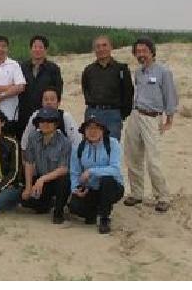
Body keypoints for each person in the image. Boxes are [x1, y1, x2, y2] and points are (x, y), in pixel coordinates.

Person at [121, 38, 179, 213]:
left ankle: (162, 197)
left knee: (153, 160)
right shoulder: (138, 73)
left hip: (152, 118)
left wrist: (169, 119)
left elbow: (170, 96)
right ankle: (137, 193)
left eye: (144, 51)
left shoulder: (164, 72)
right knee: (132, 157)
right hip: (135, 116)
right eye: (138, 51)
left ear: (152, 52)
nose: (141, 54)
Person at [69, 116, 126, 234]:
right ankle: (96, 210)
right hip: (90, 188)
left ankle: (104, 218)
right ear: (84, 131)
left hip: (112, 187)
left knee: (107, 180)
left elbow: (115, 169)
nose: (93, 131)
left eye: (97, 128)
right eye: (89, 128)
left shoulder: (112, 144)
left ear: (103, 130)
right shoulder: (79, 148)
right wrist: (75, 188)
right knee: (74, 207)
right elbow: (74, 172)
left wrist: (91, 171)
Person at [22, 107, 73, 223]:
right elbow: (29, 162)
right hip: (42, 180)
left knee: (64, 180)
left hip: (57, 180)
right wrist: (28, 187)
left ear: (56, 124)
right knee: (26, 201)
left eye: (49, 121)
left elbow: (64, 169)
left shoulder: (64, 142)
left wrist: (42, 179)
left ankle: (59, 211)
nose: (45, 124)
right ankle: (48, 203)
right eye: (42, 121)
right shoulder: (33, 137)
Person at [81, 35, 134, 140]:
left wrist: (121, 114)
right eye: (98, 46)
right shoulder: (88, 70)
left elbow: (128, 93)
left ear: (111, 47)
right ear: (94, 49)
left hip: (113, 114)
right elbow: (86, 89)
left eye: (104, 45)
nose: (101, 49)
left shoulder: (121, 69)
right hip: (93, 113)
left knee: (111, 146)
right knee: (90, 146)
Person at [18, 35, 64, 130]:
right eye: (35, 47)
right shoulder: (22, 67)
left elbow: (58, 90)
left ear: (45, 50)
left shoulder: (53, 69)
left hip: (46, 114)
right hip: (24, 112)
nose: (37, 50)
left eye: (41, 47)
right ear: (30, 49)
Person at [19, 87, 81, 152]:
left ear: (58, 102)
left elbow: (76, 143)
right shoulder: (35, 116)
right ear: (42, 102)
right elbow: (24, 144)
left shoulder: (66, 117)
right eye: (46, 99)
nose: (49, 102)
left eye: (52, 99)